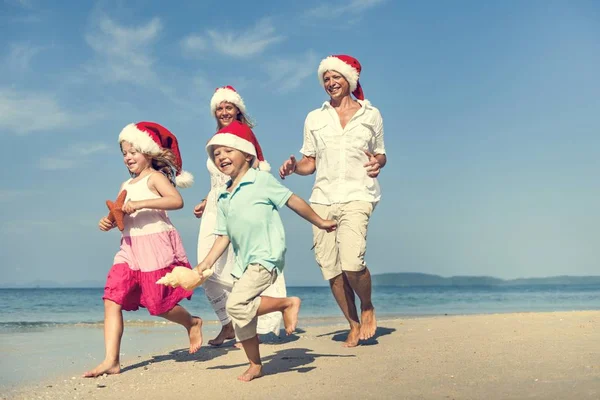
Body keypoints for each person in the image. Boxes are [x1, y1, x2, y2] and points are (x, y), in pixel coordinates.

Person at [192, 121, 337, 381]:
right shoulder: (224, 196)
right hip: (243, 263)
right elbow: (222, 236)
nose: (221, 157)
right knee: (242, 318)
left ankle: (286, 303)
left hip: (266, 255)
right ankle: (255, 364)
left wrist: (320, 222)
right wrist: (205, 264)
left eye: (228, 151)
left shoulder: (261, 180)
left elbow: (293, 200)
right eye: (216, 154)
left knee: (236, 304)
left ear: (247, 155)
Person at [279, 55, 386, 348]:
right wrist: (293, 167)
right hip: (322, 199)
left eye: (335, 77)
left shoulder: (371, 114)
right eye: (326, 78)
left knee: (352, 262)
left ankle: (367, 306)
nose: (330, 82)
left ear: (350, 80)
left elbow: (380, 153)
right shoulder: (315, 118)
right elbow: (309, 163)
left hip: (358, 194)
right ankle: (352, 323)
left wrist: (378, 163)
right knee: (331, 267)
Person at [84, 122, 202, 378]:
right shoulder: (125, 185)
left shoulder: (155, 178)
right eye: (124, 153)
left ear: (148, 152)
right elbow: (121, 215)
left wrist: (140, 203)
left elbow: (176, 201)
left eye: (133, 151)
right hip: (129, 247)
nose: (128, 157)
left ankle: (192, 322)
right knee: (111, 298)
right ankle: (111, 360)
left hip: (154, 244)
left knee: (158, 304)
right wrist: (109, 221)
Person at [194, 86, 287, 347]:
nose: (224, 112)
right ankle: (228, 324)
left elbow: (256, 167)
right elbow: (218, 178)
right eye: (219, 108)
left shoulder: (244, 133)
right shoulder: (217, 137)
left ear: (238, 110)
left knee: (236, 267)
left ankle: (244, 323)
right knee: (207, 266)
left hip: (236, 206)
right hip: (215, 205)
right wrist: (205, 199)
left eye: (228, 107)